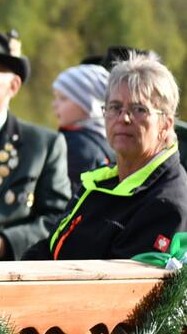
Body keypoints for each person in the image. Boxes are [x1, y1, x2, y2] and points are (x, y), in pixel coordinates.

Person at [24, 53, 187, 260]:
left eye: (139, 109)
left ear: (166, 124)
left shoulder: (167, 204)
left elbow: (120, 287)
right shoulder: (99, 182)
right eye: (115, 107)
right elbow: (51, 248)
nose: (124, 118)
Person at [0, 29, 71, 261]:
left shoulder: (43, 145)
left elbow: (58, 219)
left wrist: (5, 243)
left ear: (14, 85)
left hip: (8, 275)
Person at [51, 63, 112, 186]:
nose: (54, 104)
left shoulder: (75, 146)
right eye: (55, 97)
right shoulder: (109, 139)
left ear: (88, 104)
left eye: (63, 98)